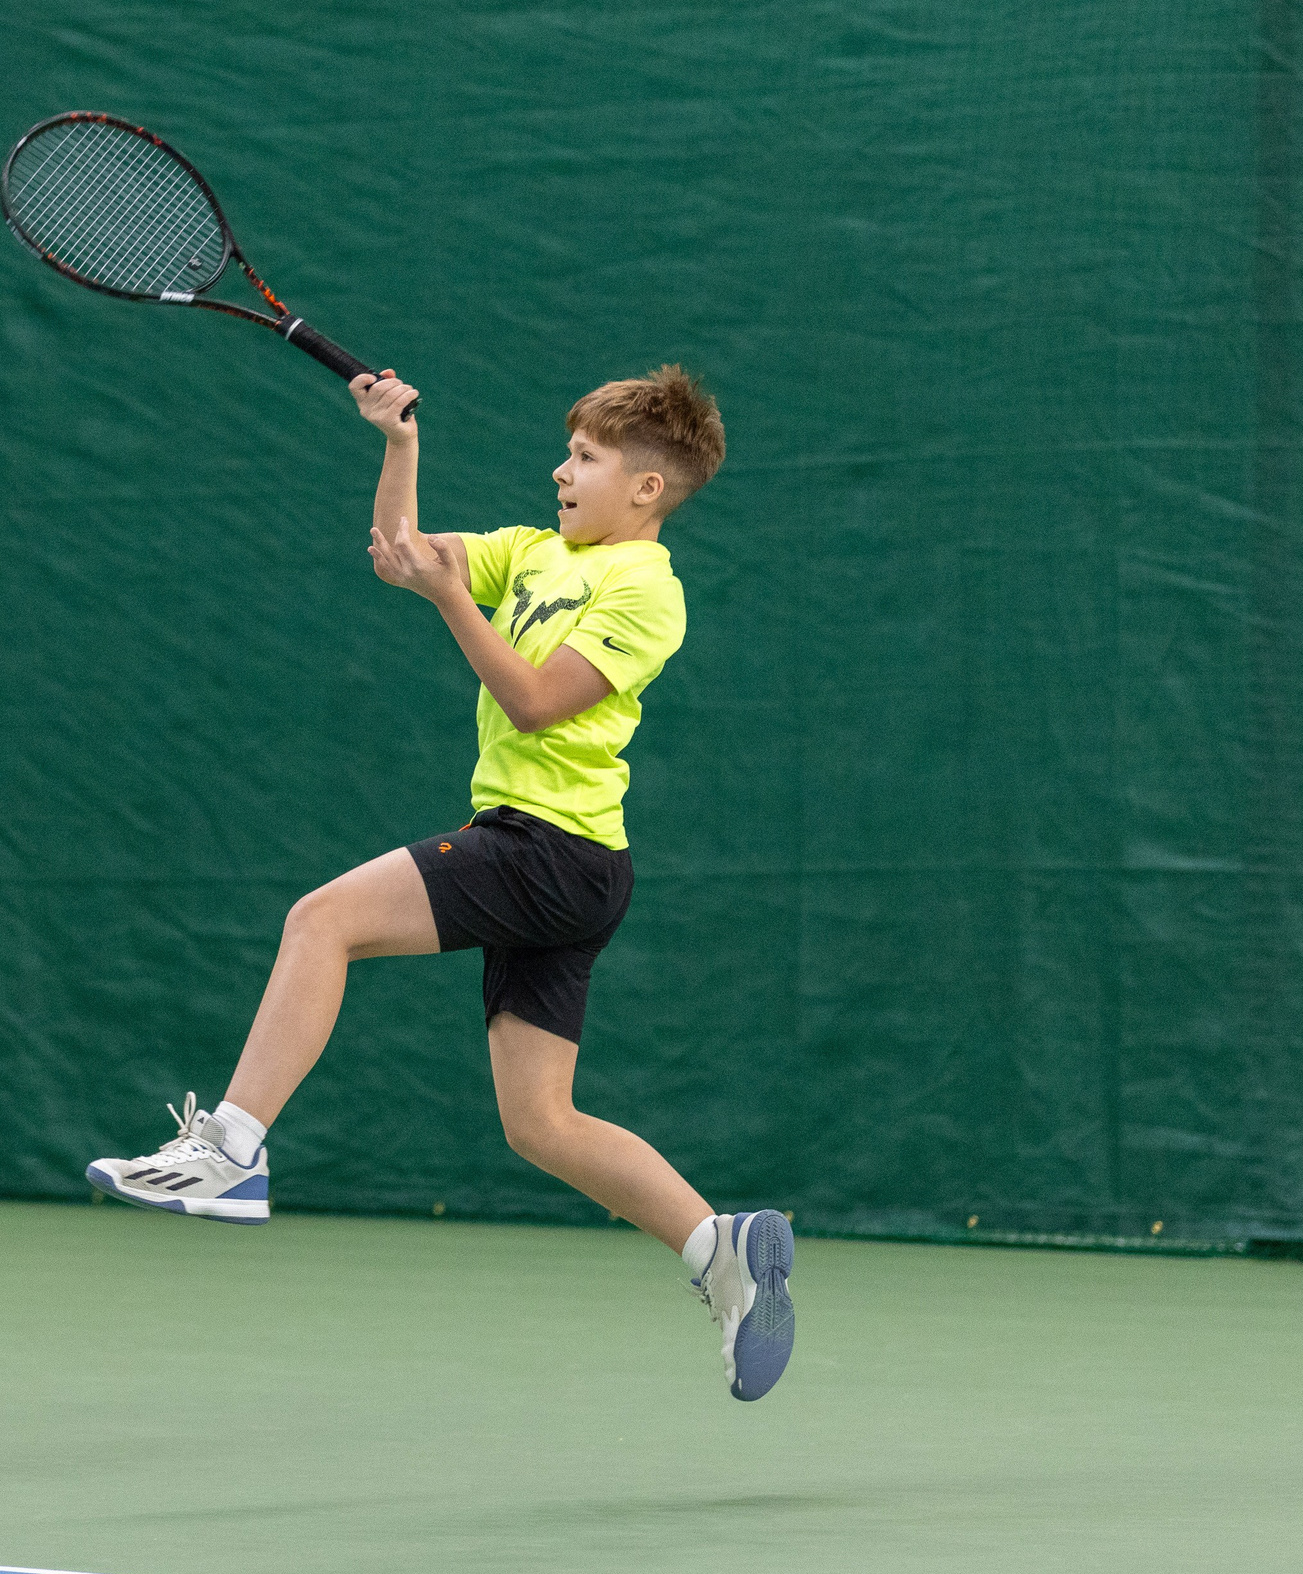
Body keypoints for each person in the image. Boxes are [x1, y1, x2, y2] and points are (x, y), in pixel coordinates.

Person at [86, 366, 796, 1401]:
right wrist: (398, 446)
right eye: (568, 449)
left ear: (647, 489)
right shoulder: (535, 552)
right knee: (538, 1123)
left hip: (551, 849)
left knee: (320, 919)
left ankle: (231, 1147)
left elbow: (536, 703)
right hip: (557, 859)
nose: (561, 468)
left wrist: (455, 602)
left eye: (587, 457)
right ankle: (719, 1250)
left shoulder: (646, 589)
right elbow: (405, 555)